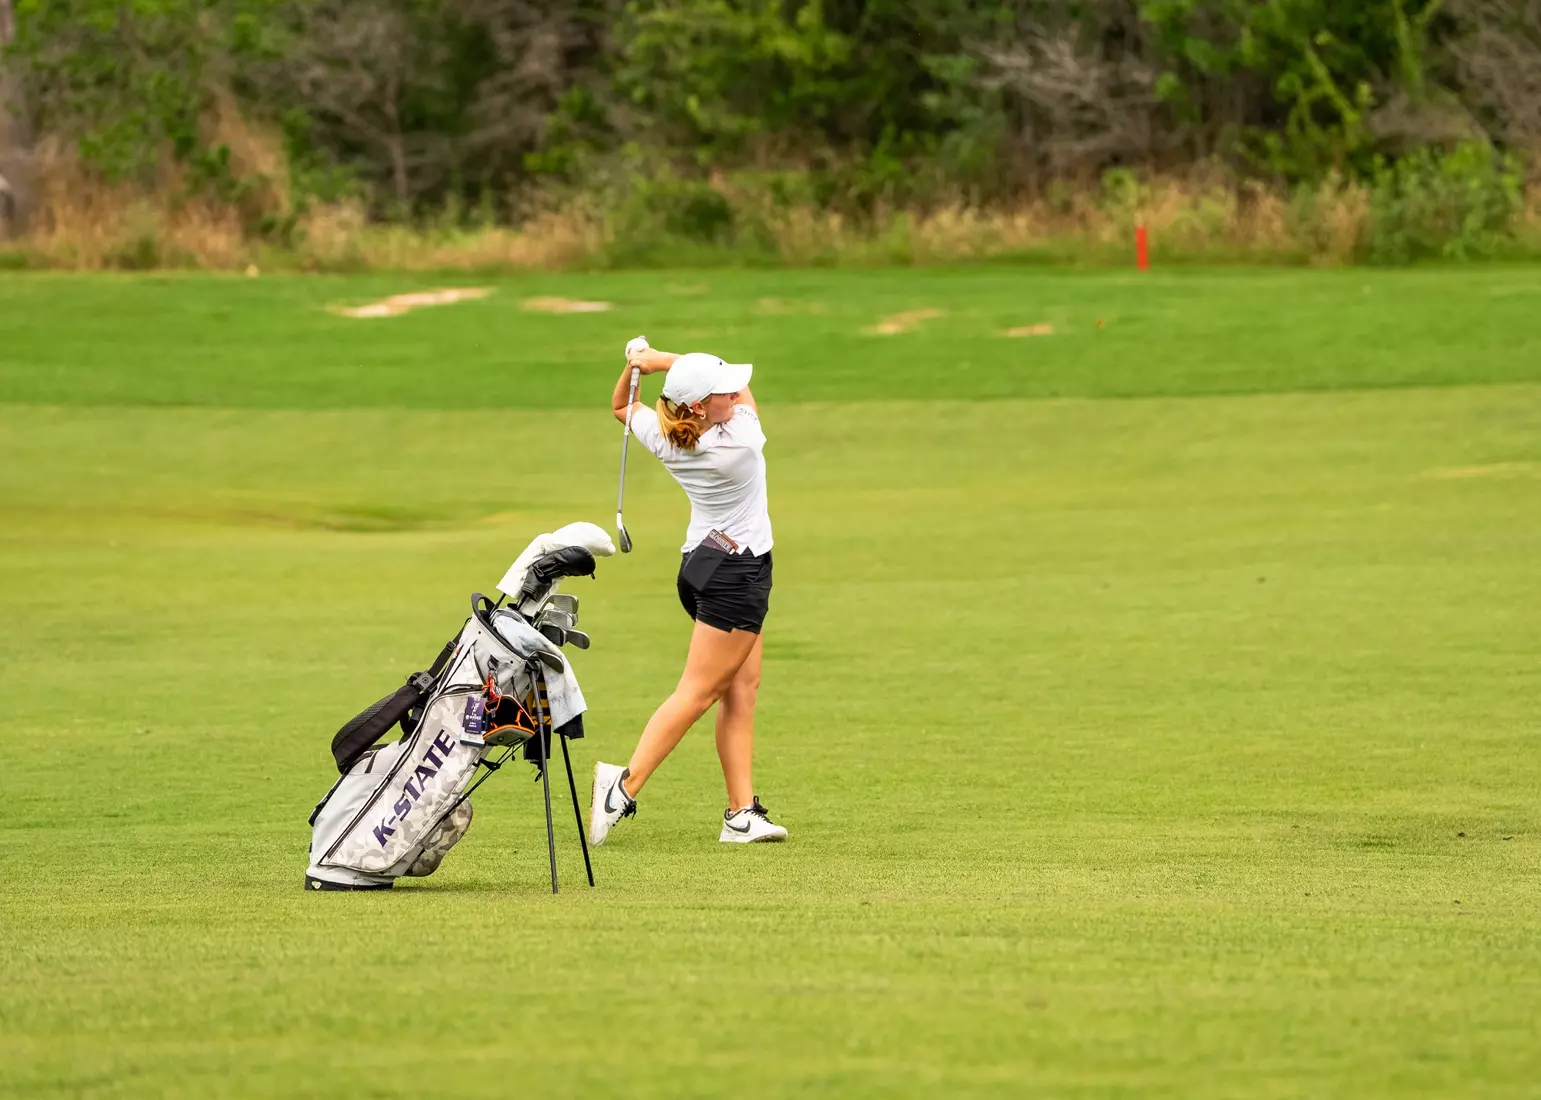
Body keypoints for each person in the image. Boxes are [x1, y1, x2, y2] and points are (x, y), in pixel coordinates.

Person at [588, 342, 788, 845]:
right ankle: (623, 786)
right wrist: (661, 359)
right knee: (697, 694)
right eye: (718, 391)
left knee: (741, 691)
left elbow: (620, 407)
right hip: (736, 579)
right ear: (700, 407)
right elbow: (746, 395)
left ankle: (741, 814)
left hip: (702, 569)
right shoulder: (737, 443)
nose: (732, 393)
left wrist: (636, 365)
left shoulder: (668, 434)